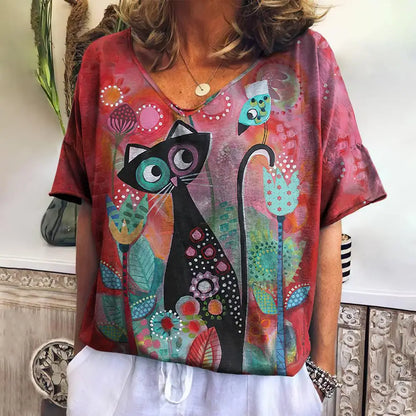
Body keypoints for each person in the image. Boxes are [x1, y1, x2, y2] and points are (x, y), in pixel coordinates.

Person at [50, 0, 386, 415]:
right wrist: (82, 359)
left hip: (259, 388)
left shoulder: (306, 61)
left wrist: (322, 372)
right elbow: (91, 212)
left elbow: (328, 215)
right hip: (120, 376)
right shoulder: (105, 62)